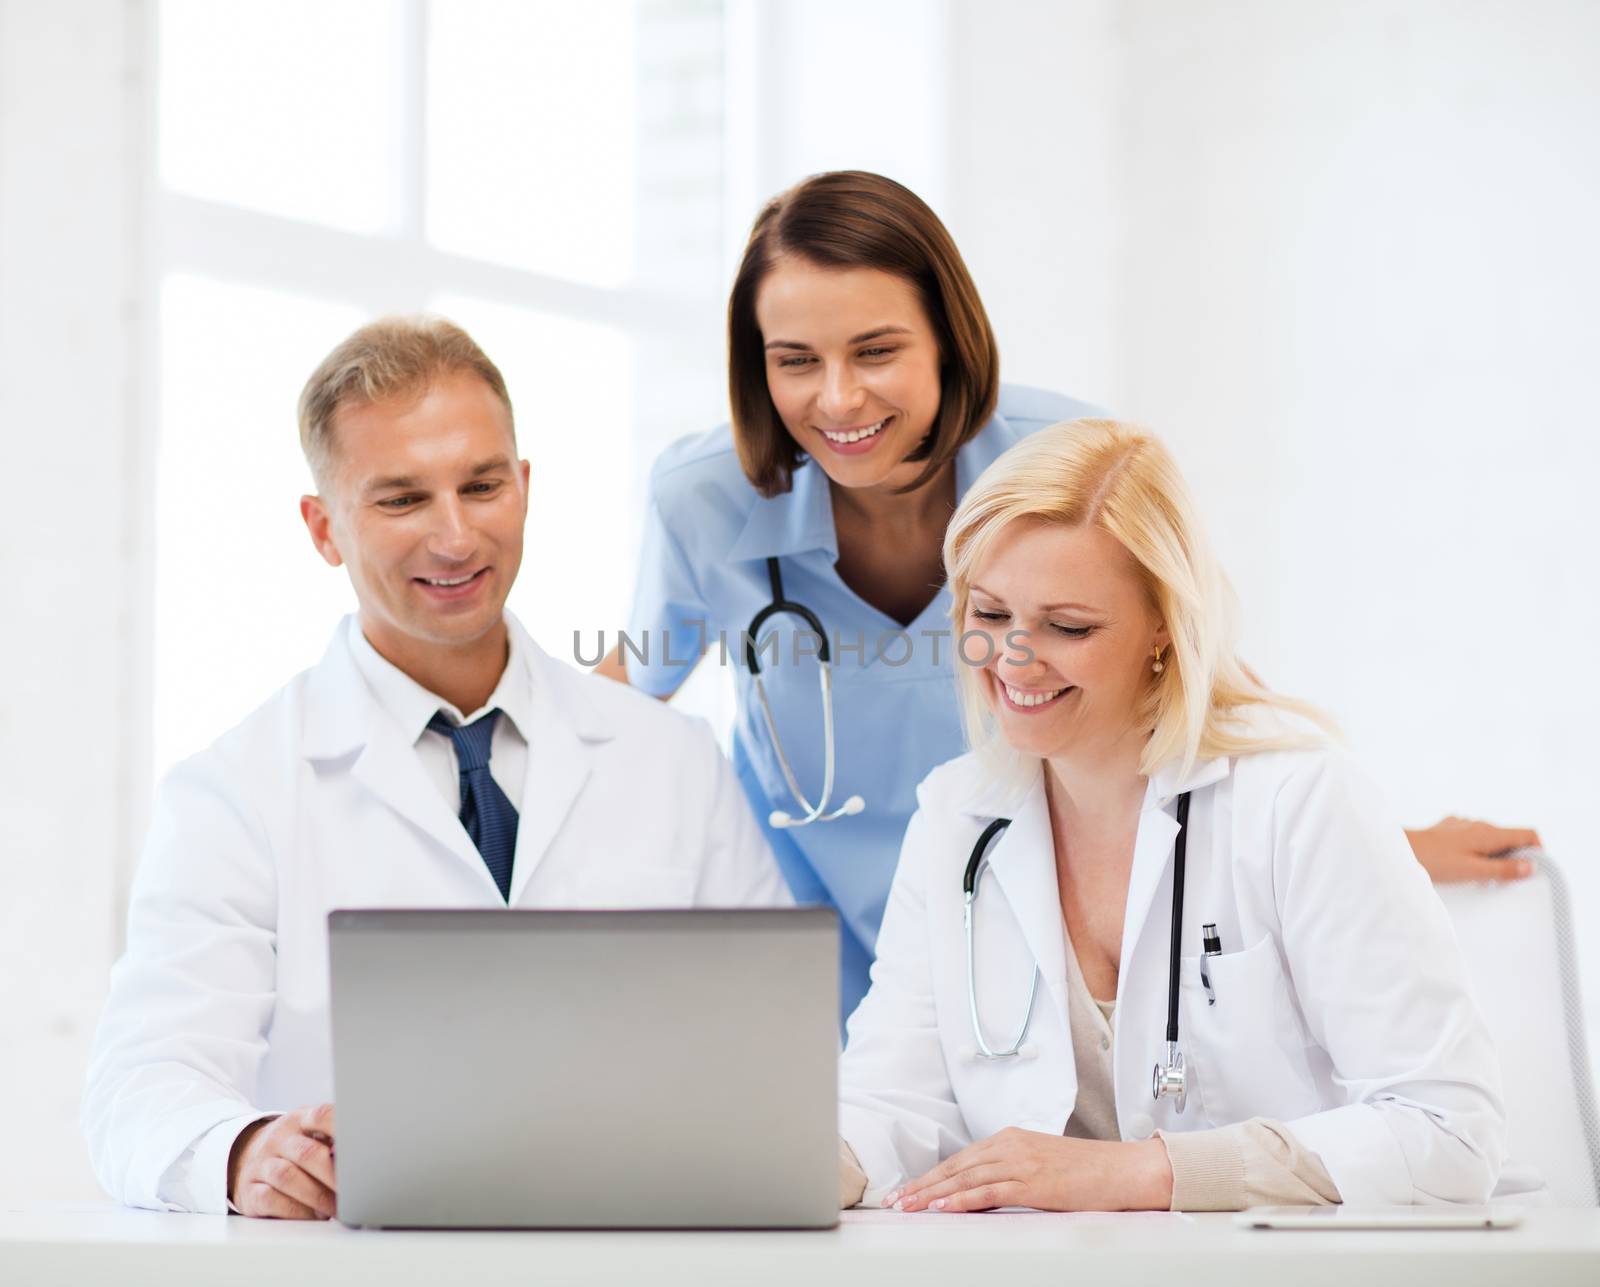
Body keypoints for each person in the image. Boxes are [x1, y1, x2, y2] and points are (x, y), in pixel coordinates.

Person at [598, 170, 1538, 1024]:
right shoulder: (702, 498)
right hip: (805, 938)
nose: (837, 399)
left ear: (947, 339)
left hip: (1034, 916)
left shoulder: (1068, 459)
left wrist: (1366, 847)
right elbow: (617, 711)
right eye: (794, 358)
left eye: (877, 350)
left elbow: (1194, 675)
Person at [82, 317, 790, 1219]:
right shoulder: (234, 791)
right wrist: (240, 1150)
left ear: (524, 488)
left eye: (482, 485)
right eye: (402, 499)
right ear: (323, 527)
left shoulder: (670, 759)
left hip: (630, 1251)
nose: (455, 538)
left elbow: (776, 1055)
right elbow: (143, 1082)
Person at [834, 420, 1506, 1211]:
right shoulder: (956, 813)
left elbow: (1448, 1129)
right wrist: (809, 1166)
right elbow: (890, 1101)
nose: (1013, 659)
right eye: (988, 615)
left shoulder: (1297, 798)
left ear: (1163, 625)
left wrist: (1137, 1172)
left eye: (1067, 625)